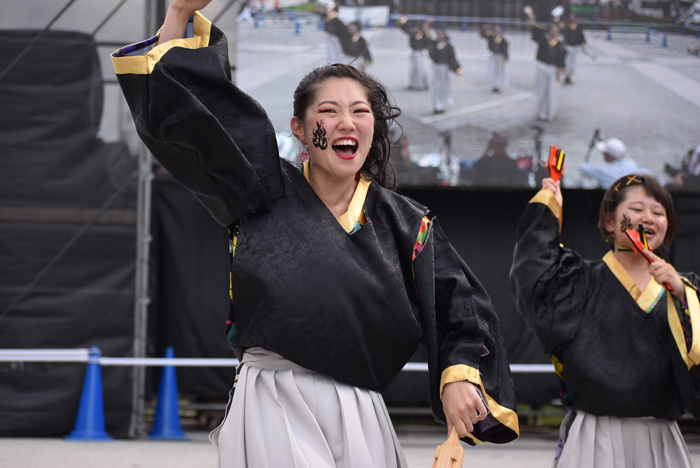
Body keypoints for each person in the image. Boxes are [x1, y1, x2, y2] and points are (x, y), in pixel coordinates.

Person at [111, 1, 519, 466]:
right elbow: (195, 119)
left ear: (373, 128)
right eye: (329, 110)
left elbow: (460, 308)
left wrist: (460, 376)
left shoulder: (408, 223)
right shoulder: (259, 187)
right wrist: (179, 14)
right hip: (273, 398)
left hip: (360, 408)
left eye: (360, 111)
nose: (347, 122)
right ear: (301, 130)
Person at [510, 173, 700, 467]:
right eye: (637, 209)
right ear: (610, 222)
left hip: (663, 440)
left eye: (659, 212)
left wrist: (683, 298)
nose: (648, 218)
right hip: (594, 437)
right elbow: (532, 274)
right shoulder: (578, 280)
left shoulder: (687, 291)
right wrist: (548, 208)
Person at [526, 8, 567, 122]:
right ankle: (541, 113)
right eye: (552, 30)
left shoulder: (560, 44)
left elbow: (562, 58)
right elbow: (535, 32)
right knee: (541, 91)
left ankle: (551, 114)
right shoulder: (542, 40)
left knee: (553, 92)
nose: (554, 32)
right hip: (542, 66)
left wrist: (562, 70)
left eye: (556, 30)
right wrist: (532, 18)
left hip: (554, 68)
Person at [579, 137, 648, 189]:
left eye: (604, 154)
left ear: (609, 156)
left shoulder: (603, 169)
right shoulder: (631, 164)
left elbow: (582, 167)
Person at [426, 28, 463, 114]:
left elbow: (452, 58)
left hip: (445, 68)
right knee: (436, 86)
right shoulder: (434, 45)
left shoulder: (449, 47)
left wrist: (457, 69)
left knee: (444, 86)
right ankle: (437, 105)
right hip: (437, 67)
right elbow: (431, 55)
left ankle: (442, 104)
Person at [399, 15, 431, 91]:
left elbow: (429, 41)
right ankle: (413, 84)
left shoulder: (424, 34)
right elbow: (403, 29)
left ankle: (422, 84)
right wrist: (403, 22)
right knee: (413, 69)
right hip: (414, 52)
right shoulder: (412, 34)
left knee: (421, 69)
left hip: (421, 52)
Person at [480, 25, 509, 93]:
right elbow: (483, 35)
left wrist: (505, 56)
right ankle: (494, 85)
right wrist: (485, 29)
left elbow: (504, 48)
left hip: (500, 56)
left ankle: (499, 85)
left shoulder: (502, 39)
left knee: (500, 71)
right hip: (494, 55)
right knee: (493, 70)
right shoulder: (491, 37)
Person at [560, 14, 586, 85]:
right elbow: (561, 36)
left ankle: (570, 77)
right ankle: (566, 76)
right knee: (566, 63)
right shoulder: (565, 27)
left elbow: (582, 38)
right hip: (567, 47)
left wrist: (583, 45)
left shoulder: (578, 28)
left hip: (575, 48)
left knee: (573, 64)